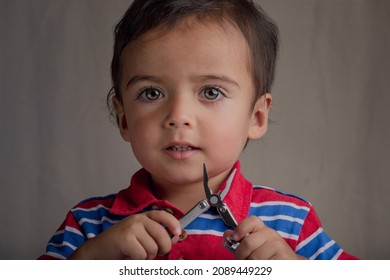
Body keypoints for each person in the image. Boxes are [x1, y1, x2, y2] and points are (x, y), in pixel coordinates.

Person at [38, 0, 358, 260]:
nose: (178, 116)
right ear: (123, 119)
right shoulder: (87, 223)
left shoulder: (292, 221)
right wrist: (91, 261)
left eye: (211, 92)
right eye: (151, 93)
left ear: (256, 117)